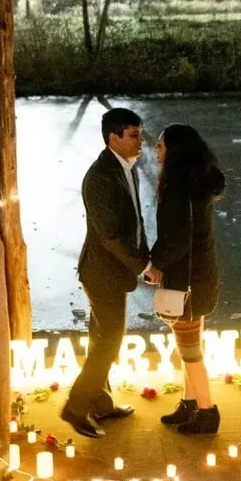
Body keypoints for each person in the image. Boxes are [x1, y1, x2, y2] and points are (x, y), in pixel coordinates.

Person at [62, 106, 149, 440]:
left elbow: (134, 223)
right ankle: (75, 407)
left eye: (140, 133)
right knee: (109, 341)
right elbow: (110, 234)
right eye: (133, 134)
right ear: (114, 138)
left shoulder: (125, 167)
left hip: (112, 271)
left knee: (101, 338)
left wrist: (145, 255)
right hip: (101, 273)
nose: (140, 140)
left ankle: (100, 403)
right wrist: (144, 265)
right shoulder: (99, 177)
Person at [145, 124, 226, 437]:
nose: (156, 150)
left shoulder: (178, 189)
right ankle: (189, 402)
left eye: (161, 146)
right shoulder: (199, 184)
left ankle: (207, 412)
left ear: (174, 151)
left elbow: (175, 239)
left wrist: (155, 264)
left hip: (186, 281)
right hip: (202, 274)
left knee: (190, 351)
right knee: (188, 346)